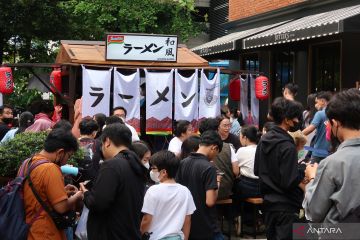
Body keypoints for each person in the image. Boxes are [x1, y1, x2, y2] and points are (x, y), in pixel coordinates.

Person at [80, 123, 147, 240]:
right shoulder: (136, 163)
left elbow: (98, 203)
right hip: (129, 232)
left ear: (107, 141)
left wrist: (85, 193)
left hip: (110, 233)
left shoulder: (111, 165)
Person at [303, 89, 360, 223]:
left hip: (340, 233)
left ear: (336, 123)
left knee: (300, 231)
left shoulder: (332, 163)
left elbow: (314, 212)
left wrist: (312, 177)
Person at [254, 97, 305, 240]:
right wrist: (302, 173)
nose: (297, 120)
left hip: (268, 203)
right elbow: (289, 181)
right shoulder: (288, 146)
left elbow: (257, 170)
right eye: (295, 117)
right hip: (286, 205)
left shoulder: (263, 140)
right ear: (286, 119)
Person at [21, 128, 83, 240]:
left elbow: (38, 192)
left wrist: (62, 190)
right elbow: (61, 207)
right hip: (46, 232)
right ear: (60, 152)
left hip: (28, 228)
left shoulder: (27, 163)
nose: (66, 161)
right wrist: (78, 195)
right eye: (68, 156)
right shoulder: (51, 168)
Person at [176, 130, 223, 240]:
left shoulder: (183, 163)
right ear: (214, 147)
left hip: (186, 222)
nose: (215, 156)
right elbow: (210, 201)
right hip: (205, 223)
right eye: (217, 152)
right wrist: (218, 182)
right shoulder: (209, 167)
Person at [141, 151, 196, 240]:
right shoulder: (185, 191)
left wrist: (142, 234)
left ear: (163, 172)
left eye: (154, 168)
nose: (151, 171)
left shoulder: (153, 190)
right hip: (177, 237)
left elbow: (147, 219)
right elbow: (187, 219)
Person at [199, 118, 239, 200]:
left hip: (200, 193)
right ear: (217, 130)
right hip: (224, 191)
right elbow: (236, 171)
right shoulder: (228, 146)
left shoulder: (196, 146)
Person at [302, 91, 332, 163]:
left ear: (322, 101)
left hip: (319, 152)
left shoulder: (320, 114)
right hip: (331, 152)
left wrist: (295, 136)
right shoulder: (335, 112)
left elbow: (310, 129)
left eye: (316, 102)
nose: (315, 105)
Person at [235, 125, 261, 199]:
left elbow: (235, 169)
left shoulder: (242, 150)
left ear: (245, 138)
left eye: (240, 137)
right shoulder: (261, 149)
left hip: (248, 187)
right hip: (262, 187)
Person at [77, 118, 100, 183]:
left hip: (75, 181)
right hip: (94, 181)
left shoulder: (73, 143)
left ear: (80, 130)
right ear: (94, 133)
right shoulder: (100, 144)